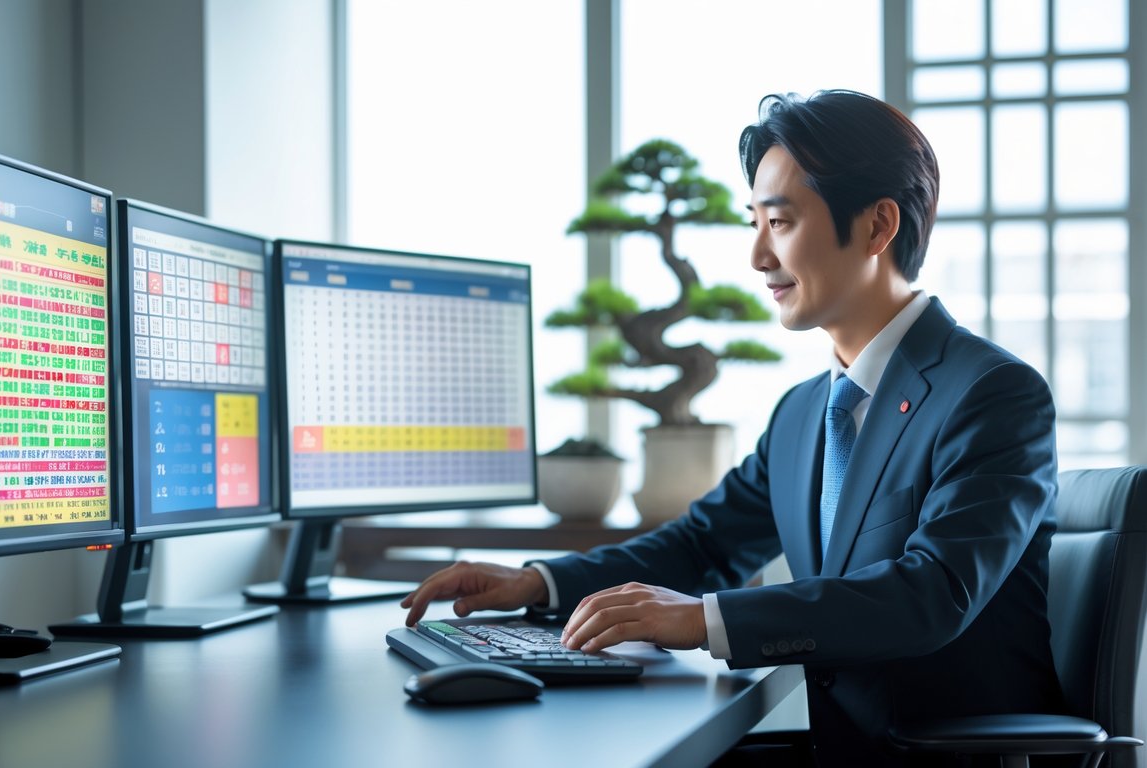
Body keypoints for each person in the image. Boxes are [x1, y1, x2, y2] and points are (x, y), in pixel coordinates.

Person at [400, 90, 1065, 766]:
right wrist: (537, 582)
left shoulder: (990, 393)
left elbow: (931, 595)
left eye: (777, 222)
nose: (755, 257)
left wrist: (702, 620)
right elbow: (701, 546)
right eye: (754, 222)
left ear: (875, 227)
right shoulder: (805, 411)